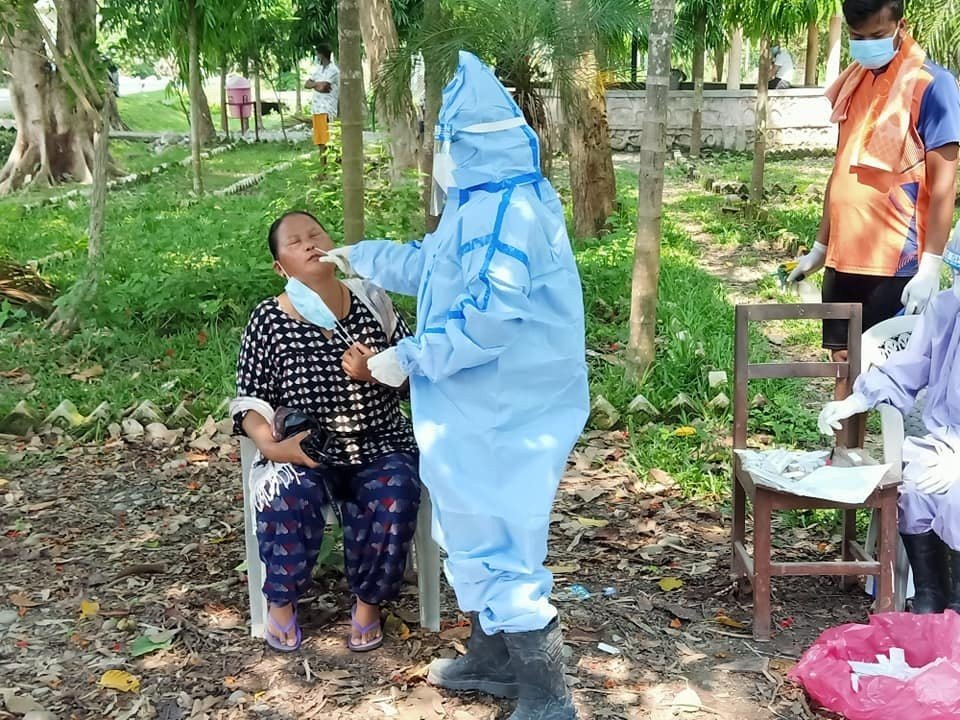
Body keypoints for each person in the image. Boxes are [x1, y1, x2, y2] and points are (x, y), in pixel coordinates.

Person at [322, 51, 589, 720]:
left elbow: (490, 320)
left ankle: (548, 697)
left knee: (502, 540)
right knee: (475, 533)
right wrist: (361, 257)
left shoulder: (509, 212)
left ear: (467, 143)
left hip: (509, 411)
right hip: (478, 411)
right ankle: (495, 663)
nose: (435, 153)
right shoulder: (481, 202)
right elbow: (434, 266)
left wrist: (409, 357)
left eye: (442, 140)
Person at [230, 211, 421, 653]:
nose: (310, 243)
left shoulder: (374, 301)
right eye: (295, 242)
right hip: (304, 447)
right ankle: (280, 604)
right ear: (281, 267)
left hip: (379, 442)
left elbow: (416, 372)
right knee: (284, 493)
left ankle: (368, 604)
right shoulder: (268, 321)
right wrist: (274, 448)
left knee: (397, 489)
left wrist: (376, 372)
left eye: (316, 234)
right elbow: (249, 402)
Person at [788, 0, 960, 419]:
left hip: (895, 262)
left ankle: (892, 470)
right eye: (858, 38)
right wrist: (819, 246)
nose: (867, 46)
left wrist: (930, 266)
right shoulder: (856, 81)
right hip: (845, 256)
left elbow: (944, 185)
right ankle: (844, 454)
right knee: (843, 363)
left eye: (878, 36)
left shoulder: (931, 85)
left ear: (902, 24)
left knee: (888, 370)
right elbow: (841, 169)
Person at [818, 225, 960, 614]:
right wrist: (856, 401)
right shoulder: (948, 309)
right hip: (947, 439)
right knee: (916, 485)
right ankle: (931, 597)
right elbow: (907, 366)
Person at [305, 44, 340, 160]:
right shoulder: (317, 69)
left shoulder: (333, 70)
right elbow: (307, 84)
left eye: (317, 53)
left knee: (330, 139)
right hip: (317, 108)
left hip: (327, 109)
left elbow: (324, 88)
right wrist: (317, 84)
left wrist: (315, 85)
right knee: (320, 141)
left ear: (321, 55)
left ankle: (337, 163)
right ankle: (323, 168)